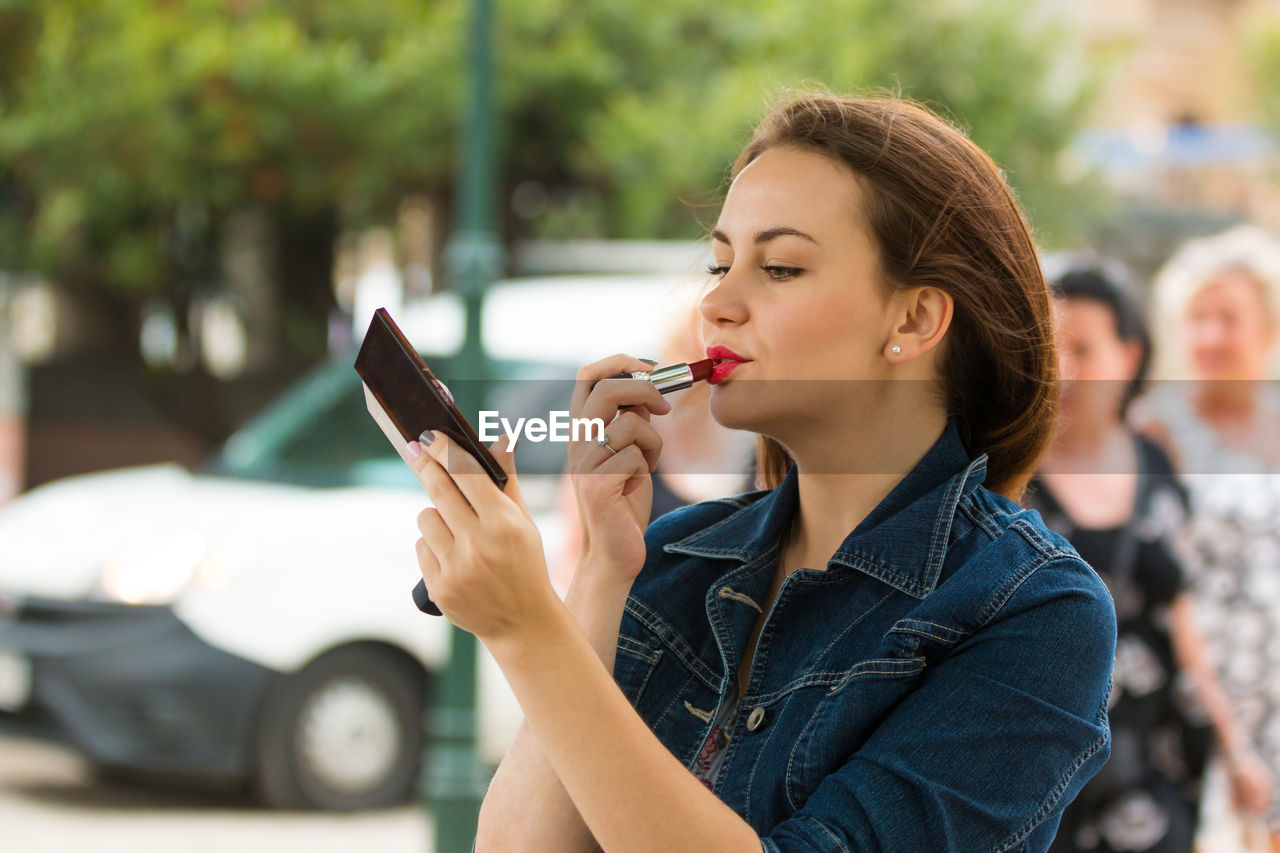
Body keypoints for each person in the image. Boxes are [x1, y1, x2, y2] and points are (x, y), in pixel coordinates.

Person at [404, 92, 1117, 851]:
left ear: (914, 320)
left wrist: (529, 631)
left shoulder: (1035, 608)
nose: (717, 301)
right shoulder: (670, 560)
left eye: (778, 267)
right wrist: (598, 582)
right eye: (719, 262)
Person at [1027, 258, 1248, 853]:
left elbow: (1181, 614)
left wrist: (1235, 747)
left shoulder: (1156, 460)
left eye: (1085, 350)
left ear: (1129, 356)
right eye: (1052, 349)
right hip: (1048, 760)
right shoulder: (1007, 474)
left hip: (1161, 751)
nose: (1065, 370)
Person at [1132, 225, 1280, 850]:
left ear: (1268, 325)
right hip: (1200, 687)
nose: (1211, 335)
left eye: (1229, 317)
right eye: (1198, 318)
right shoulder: (1155, 427)